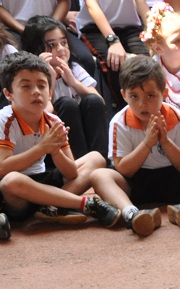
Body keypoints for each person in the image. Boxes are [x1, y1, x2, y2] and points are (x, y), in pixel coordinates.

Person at [89, 55, 180, 237]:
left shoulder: (177, 118)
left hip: (174, 179)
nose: (143, 104)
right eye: (134, 96)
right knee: (99, 175)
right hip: (137, 182)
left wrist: (165, 141)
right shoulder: (119, 122)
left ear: (164, 94)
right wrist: (147, 143)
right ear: (123, 95)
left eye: (151, 96)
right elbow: (124, 170)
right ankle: (132, 214)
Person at [0, 51, 120, 236]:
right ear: (9, 93)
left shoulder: (53, 121)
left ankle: (52, 206)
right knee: (11, 181)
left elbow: (71, 172)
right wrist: (42, 148)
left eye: (42, 85)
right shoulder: (4, 120)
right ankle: (83, 204)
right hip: (18, 195)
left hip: (43, 179)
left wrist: (55, 151)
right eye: (25, 86)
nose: (36, 91)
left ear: (50, 92)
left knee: (95, 158)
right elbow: (3, 168)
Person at [21, 16, 109, 159]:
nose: (61, 49)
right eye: (52, 45)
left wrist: (74, 82)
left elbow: (100, 101)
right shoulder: (32, 76)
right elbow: (43, 113)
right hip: (54, 143)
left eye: (64, 43)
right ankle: (79, 163)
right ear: (38, 49)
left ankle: (101, 159)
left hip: (83, 132)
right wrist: (49, 79)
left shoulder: (73, 68)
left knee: (91, 100)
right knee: (66, 104)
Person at [76, 0, 151, 110]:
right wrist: (113, 41)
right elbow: (92, 5)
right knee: (114, 62)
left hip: (130, 27)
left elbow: (141, 3)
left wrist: (155, 31)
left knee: (148, 64)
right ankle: (123, 110)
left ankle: (150, 108)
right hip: (95, 28)